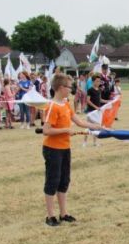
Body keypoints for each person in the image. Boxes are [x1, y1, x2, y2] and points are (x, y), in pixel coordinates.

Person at [42, 73, 104, 226]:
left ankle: (64, 213)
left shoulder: (65, 104)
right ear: (61, 88)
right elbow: (46, 130)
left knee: (64, 181)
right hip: (52, 149)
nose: (71, 90)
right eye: (70, 87)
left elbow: (79, 121)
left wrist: (97, 127)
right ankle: (50, 216)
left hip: (65, 148)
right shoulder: (52, 106)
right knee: (53, 181)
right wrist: (64, 130)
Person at [84, 75, 108, 147]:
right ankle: (85, 142)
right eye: (97, 81)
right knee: (88, 127)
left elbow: (100, 100)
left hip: (97, 112)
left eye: (99, 81)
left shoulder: (99, 90)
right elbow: (88, 101)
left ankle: (95, 142)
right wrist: (96, 107)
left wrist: (108, 101)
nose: (98, 82)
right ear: (93, 81)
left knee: (96, 127)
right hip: (91, 111)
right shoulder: (90, 90)